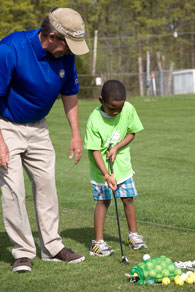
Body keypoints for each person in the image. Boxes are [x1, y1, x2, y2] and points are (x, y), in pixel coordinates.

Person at [0, 7, 89, 272]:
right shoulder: (10, 49)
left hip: (39, 127)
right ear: (51, 37)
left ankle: (51, 247)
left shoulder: (66, 55)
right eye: (67, 45)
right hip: (6, 126)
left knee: (47, 185)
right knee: (13, 189)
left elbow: (70, 92)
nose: (70, 51)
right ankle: (23, 252)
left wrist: (75, 134)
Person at [84, 80, 147, 256]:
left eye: (120, 107)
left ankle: (134, 235)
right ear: (100, 100)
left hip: (123, 167)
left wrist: (117, 147)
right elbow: (95, 151)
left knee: (128, 198)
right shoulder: (94, 120)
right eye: (112, 108)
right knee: (103, 202)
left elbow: (131, 132)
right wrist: (106, 175)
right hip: (101, 170)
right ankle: (97, 243)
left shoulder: (128, 109)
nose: (117, 112)